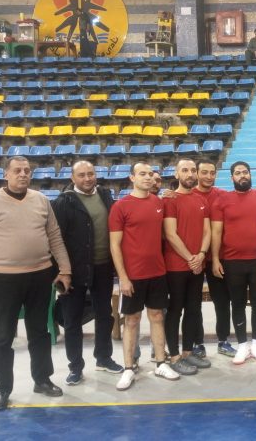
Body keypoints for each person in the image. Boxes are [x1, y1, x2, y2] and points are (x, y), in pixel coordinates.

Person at [0, 156, 72, 411]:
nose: (23, 174)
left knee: (40, 332)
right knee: (2, 336)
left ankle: (42, 379)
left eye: (27, 170)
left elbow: (55, 237)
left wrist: (65, 270)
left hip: (40, 275)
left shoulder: (41, 200)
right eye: (17, 170)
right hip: (5, 279)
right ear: (6, 174)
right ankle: (3, 388)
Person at [51, 160, 123, 387]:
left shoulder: (104, 195)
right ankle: (75, 367)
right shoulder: (63, 202)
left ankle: (104, 358)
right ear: (72, 178)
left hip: (103, 268)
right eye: (81, 175)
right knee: (72, 321)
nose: (87, 178)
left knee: (105, 315)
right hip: (73, 271)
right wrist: (61, 272)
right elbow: (54, 240)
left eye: (90, 174)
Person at [109, 162, 180, 391]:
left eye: (150, 174)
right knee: (132, 320)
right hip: (133, 275)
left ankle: (160, 363)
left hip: (158, 272)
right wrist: (123, 277)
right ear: (132, 177)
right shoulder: (120, 206)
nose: (148, 177)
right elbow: (114, 245)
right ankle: (129, 368)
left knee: (157, 316)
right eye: (142, 174)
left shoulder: (159, 203)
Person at [211, 161, 256, 364]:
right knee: (238, 304)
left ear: (251, 175)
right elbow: (216, 232)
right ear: (232, 177)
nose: (242, 175)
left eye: (245, 172)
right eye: (238, 173)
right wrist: (215, 259)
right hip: (232, 262)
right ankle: (243, 345)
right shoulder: (222, 200)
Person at [163, 159, 212, 375]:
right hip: (176, 266)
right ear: (176, 174)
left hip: (197, 265)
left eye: (193, 170)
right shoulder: (170, 199)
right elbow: (170, 234)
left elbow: (207, 231)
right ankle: (174, 356)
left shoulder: (201, 200)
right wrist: (191, 258)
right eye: (185, 170)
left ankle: (188, 352)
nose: (190, 174)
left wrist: (201, 255)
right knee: (175, 311)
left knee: (194, 309)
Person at [191, 160, 236, 357]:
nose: (209, 176)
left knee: (222, 302)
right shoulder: (187, 195)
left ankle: (223, 341)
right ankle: (197, 343)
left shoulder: (222, 195)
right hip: (193, 258)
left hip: (217, 258)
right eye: (204, 172)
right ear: (196, 174)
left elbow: (243, 196)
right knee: (193, 304)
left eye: (212, 173)